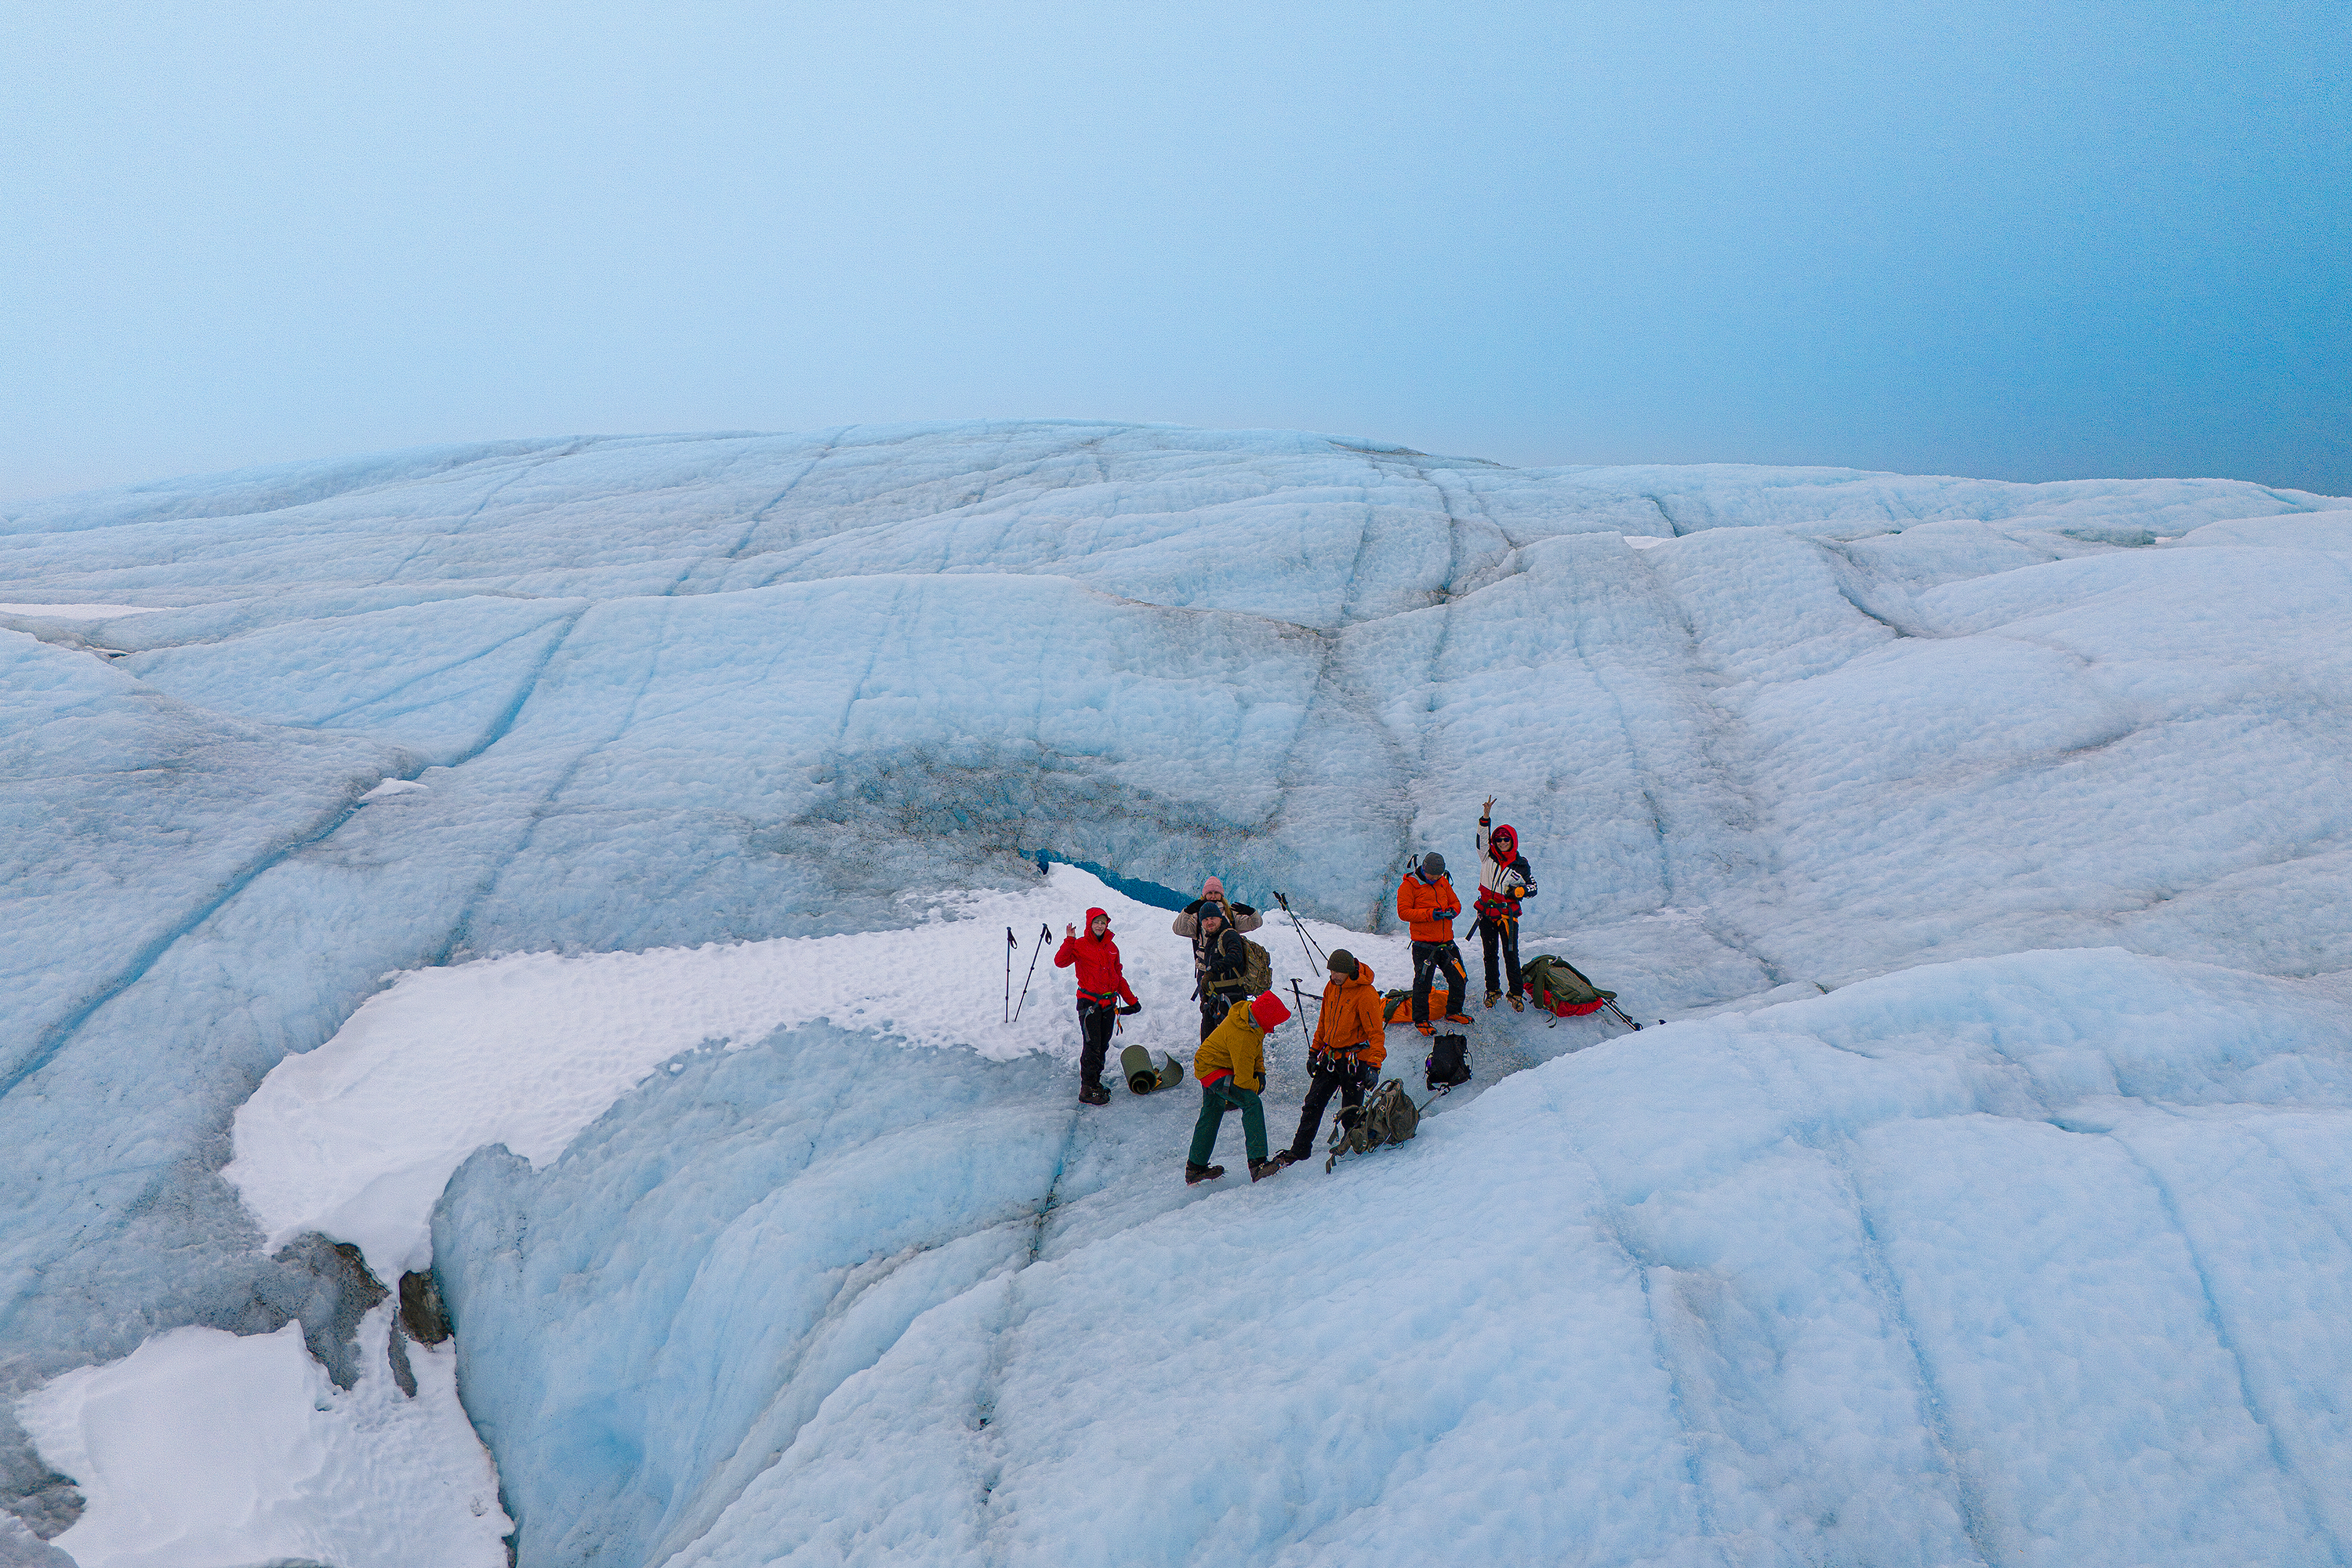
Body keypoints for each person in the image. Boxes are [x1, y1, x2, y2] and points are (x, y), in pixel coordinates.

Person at [1274, 949, 1385, 1168]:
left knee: (1350, 1111)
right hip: (1331, 1057)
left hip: (1355, 1061)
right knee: (1312, 1104)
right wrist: (1313, 1052)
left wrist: (1374, 1066)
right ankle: (1300, 1150)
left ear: (1348, 971)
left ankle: (1354, 1148)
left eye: (1336, 972)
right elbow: (1323, 1022)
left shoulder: (1366, 994)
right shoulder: (1331, 987)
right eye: (1331, 971)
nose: (1332, 975)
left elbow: (1376, 1034)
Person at [1187, 990, 1290, 1184]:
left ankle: (1195, 1168)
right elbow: (1243, 1082)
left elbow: (1257, 1047)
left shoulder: (1249, 1016)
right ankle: (1258, 1164)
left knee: (1213, 1110)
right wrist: (1257, 1085)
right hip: (1212, 1068)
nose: (1274, 1027)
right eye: (1274, 1022)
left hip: (1216, 1063)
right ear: (1266, 1018)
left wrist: (1260, 1071)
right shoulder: (1241, 1035)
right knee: (1251, 1103)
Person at [1054, 907, 1141, 1105]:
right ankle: (1087, 1089)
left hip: (1109, 1004)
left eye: (1103, 922)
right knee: (1092, 1047)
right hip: (1089, 1005)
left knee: (1102, 1045)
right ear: (1089, 924)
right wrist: (1069, 940)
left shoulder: (1112, 947)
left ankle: (1095, 1083)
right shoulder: (1080, 945)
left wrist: (1132, 1001)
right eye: (1096, 922)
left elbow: (1118, 978)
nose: (1100, 925)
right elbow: (1060, 962)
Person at [1474, 796, 1538, 1009]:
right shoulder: (1487, 856)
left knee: (1511, 955)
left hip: (1507, 917)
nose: (1502, 843)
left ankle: (1516, 993)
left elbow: (1533, 888)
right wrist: (1486, 817)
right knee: (1489, 955)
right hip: (1486, 915)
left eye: (1506, 840)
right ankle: (1492, 990)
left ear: (1513, 841)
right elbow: (1481, 839)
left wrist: (1520, 891)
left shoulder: (1521, 865)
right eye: (1499, 839)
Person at [1396, 851, 1471, 1036]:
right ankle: (1421, 1020)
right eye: (1433, 875)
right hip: (1424, 945)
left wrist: (1453, 910)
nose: (1436, 878)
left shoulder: (1443, 882)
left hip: (1446, 942)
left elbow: (1455, 902)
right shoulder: (1409, 886)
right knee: (1423, 984)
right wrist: (1430, 914)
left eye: (1439, 875)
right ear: (1424, 868)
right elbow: (1404, 912)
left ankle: (1454, 1011)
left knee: (1459, 977)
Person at [1173, 879, 1257, 1039]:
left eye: (1216, 892)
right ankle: (1215, 1044)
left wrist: (1250, 911)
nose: (1212, 896)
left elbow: (1254, 924)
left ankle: (1219, 1045)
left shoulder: (1230, 915)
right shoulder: (1198, 916)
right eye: (1209, 893)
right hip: (1205, 971)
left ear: (1221, 894)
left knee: (1227, 1012)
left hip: (1228, 973)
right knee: (1209, 1009)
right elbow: (1178, 929)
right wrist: (1188, 911)